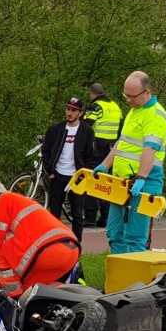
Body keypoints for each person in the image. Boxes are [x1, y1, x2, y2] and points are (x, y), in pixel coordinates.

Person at [92, 71, 166, 254]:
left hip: (144, 183)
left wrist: (141, 177)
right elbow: (123, 142)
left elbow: (150, 149)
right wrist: (105, 164)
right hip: (122, 182)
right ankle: (119, 276)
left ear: (146, 92)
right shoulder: (134, 111)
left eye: (132, 96)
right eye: (125, 95)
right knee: (114, 233)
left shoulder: (156, 115)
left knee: (135, 238)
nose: (128, 100)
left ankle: (137, 280)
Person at [0, 181, 80, 298]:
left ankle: (14, 296)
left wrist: (11, 293)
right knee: (31, 289)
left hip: (49, 252)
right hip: (71, 251)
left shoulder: (4, 198)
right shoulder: (22, 202)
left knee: (0, 245)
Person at [41, 97, 95, 242]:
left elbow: (90, 156)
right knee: (54, 214)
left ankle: (76, 245)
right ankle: (54, 243)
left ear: (80, 113)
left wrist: (84, 175)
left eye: (73, 110)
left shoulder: (87, 131)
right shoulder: (55, 129)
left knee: (77, 214)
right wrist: (50, 171)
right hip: (58, 176)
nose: (69, 113)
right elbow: (45, 151)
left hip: (77, 178)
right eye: (68, 109)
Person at [83, 83, 123, 228]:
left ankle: (90, 217)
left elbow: (85, 126)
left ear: (91, 94)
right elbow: (121, 128)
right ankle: (105, 217)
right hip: (112, 149)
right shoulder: (115, 106)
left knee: (92, 180)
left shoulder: (96, 106)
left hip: (96, 148)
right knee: (108, 182)